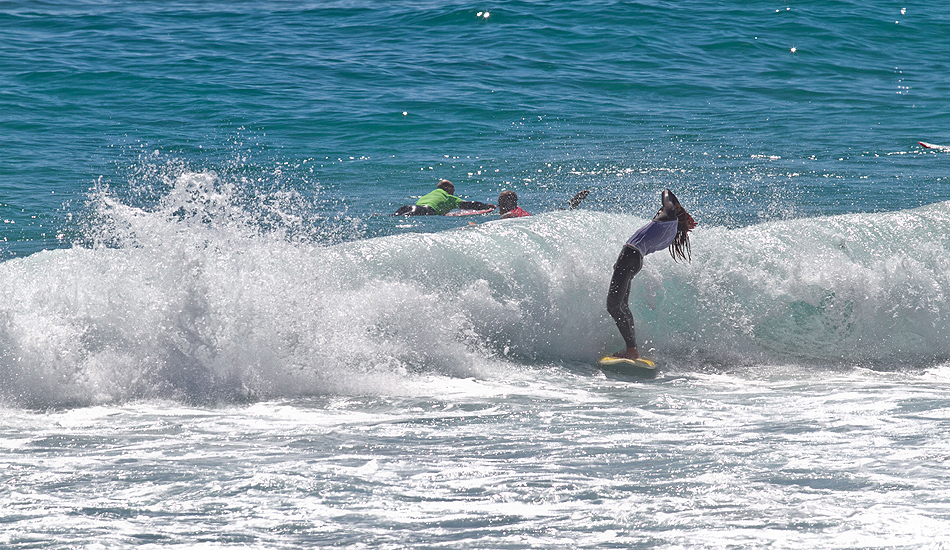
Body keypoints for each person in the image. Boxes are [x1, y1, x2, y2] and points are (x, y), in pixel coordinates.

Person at [606, 189, 696, 359]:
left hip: (629, 257)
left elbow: (667, 192)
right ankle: (631, 348)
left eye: (662, 210)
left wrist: (677, 208)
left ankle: (631, 349)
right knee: (622, 305)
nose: (659, 212)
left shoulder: (668, 216)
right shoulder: (671, 232)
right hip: (635, 260)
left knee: (613, 305)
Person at [392, 180, 495, 216]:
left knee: (395, 217)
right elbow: (469, 204)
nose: (453, 193)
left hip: (410, 207)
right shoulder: (447, 197)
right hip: (425, 210)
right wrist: (486, 206)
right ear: (447, 189)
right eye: (453, 190)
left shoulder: (430, 194)